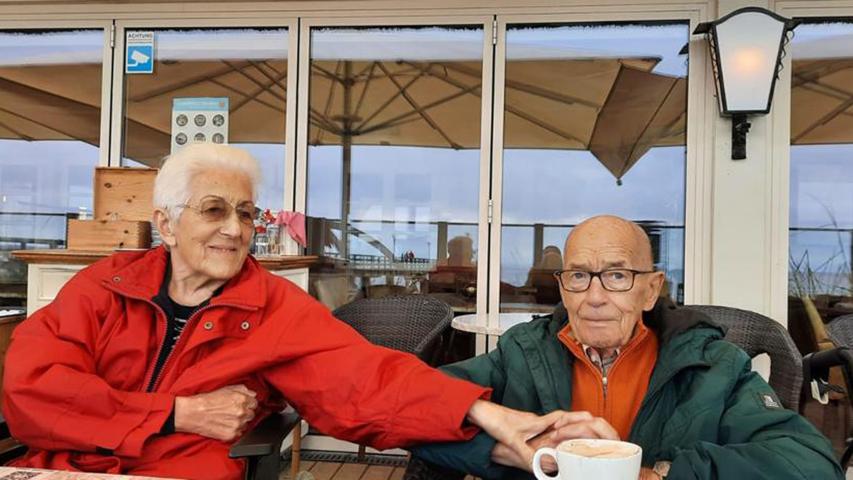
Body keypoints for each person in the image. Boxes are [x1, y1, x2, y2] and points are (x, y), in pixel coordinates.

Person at [2, 144, 562, 480]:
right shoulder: (106, 285)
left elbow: (367, 380)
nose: (235, 229)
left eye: (246, 214)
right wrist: (177, 413)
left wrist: (484, 412)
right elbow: (31, 390)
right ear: (166, 224)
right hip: (58, 469)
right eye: (214, 210)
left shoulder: (272, 308)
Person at [412, 215, 843, 479]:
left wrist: (657, 475)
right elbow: (414, 410)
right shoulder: (522, 354)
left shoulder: (715, 367)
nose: (595, 297)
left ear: (651, 290)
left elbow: (810, 465)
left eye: (617, 276)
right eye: (578, 276)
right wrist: (519, 454)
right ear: (562, 289)